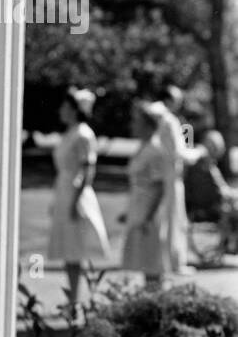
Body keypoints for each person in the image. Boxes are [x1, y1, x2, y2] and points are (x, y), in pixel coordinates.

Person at [45, 88, 111, 313]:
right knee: (68, 248)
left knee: (75, 248)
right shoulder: (71, 132)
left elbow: (87, 169)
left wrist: (75, 201)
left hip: (75, 194)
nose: (61, 111)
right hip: (64, 190)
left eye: (65, 107)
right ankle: (73, 298)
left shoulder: (83, 134)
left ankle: (75, 300)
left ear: (74, 110)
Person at [121, 101, 173, 288]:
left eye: (137, 122)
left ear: (148, 126)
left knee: (152, 261)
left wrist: (148, 217)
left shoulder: (155, 150)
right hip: (139, 208)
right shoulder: (143, 148)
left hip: (150, 212)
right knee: (143, 258)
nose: (133, 125)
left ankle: (155, 305)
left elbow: (160, 187)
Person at [155, 84, 204, 272]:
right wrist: (199, 151)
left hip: (159, 176)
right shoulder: (169, 120)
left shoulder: (156, 119)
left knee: (165, 220)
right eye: (178, 101)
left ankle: (165, 260)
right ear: (169, 100)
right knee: (175, 220)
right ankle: (176, 263)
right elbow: (180, 153)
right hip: (171, 177)